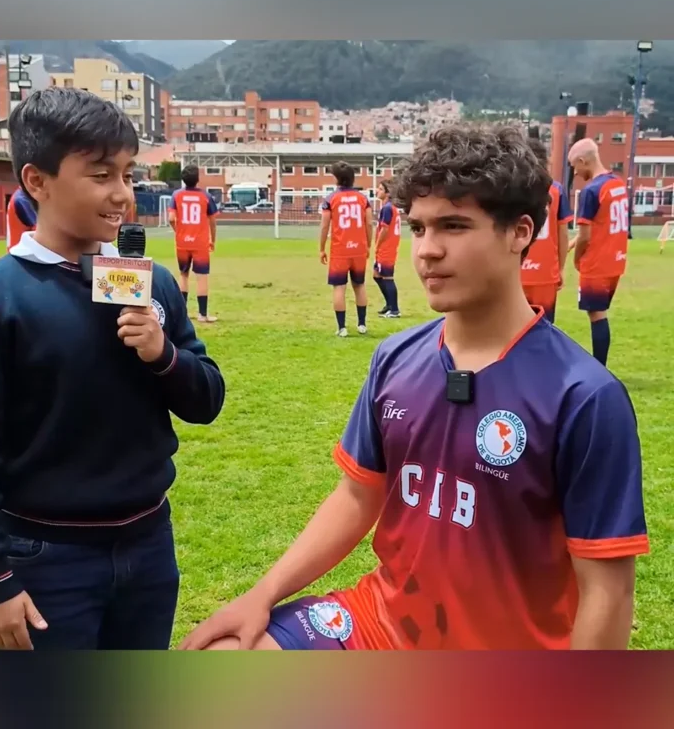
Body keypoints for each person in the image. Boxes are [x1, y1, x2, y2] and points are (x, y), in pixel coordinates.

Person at [180, 123, 649, 652]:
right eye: (419, 228)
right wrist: (261, 594)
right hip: (381, 624)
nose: (427, 250)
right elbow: (357, 496)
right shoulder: (395, 358)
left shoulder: (585, 397)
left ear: (520, 232)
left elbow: (608, 591)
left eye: (453, 226)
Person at [0, 87, 226, 651]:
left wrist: (163, 355)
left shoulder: (151, 282)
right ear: (37, 181)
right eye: (100, 175)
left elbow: (206, 399)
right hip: (46, 558)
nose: (122, 193)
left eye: (128, 174)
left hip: (148, 547)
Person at [568, 138, 629, 366]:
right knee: (599, 312)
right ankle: (600, 365)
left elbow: (586, 235)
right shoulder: (616, 184)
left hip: (597, 263)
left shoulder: (591, 191)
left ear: (583, 161)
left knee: (597, 314)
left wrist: (577, 259)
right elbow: (601, 224)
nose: (575, 172)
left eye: (574, 166)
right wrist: (571, 243)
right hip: (616, 260)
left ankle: (600, 367)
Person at [520, 138, 572, 323]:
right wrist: (561, 268)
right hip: (546, 272)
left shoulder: (512, 188)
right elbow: (563, 233)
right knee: (543, 327)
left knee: (512, 330)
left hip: (515, 271)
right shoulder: (556, 190)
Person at [319, 162, 373, 337]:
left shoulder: (331, 199)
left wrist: (321, 248)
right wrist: (368, 245)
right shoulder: (363, 199)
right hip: (359, 249)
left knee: (339, 288)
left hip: (340, 250)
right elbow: (369, 224)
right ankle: (362, 324)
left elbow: (324, 226)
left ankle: (342, 328)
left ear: (336, 178)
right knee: (359, 285)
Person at [168, 165, 219, 324]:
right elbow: (212, 221)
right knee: (201, 277)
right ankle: (202, 315)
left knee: (183, 275)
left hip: (182, 242)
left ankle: (182, 315)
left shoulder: (176, 195)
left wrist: (179, 231)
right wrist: (212, 240)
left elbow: (171, 218)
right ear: (198, 179)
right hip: (200, 243)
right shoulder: (206, 196)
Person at [372, 178, 401, 318]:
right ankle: (389, 304)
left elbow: (385, 229)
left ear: (388, 193)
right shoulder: (388, 207)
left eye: (380, 189)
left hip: (386, 247)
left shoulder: (388, 208)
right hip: (386, 247)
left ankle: (394, 310)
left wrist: (377, 244)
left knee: (387, 277)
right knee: (376, 275)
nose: (377, 191)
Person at [6, 186, 38, 251]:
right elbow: (42, 232)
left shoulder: (22, 195)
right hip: (23, 252)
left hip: (21, 250)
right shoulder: (22, 199)